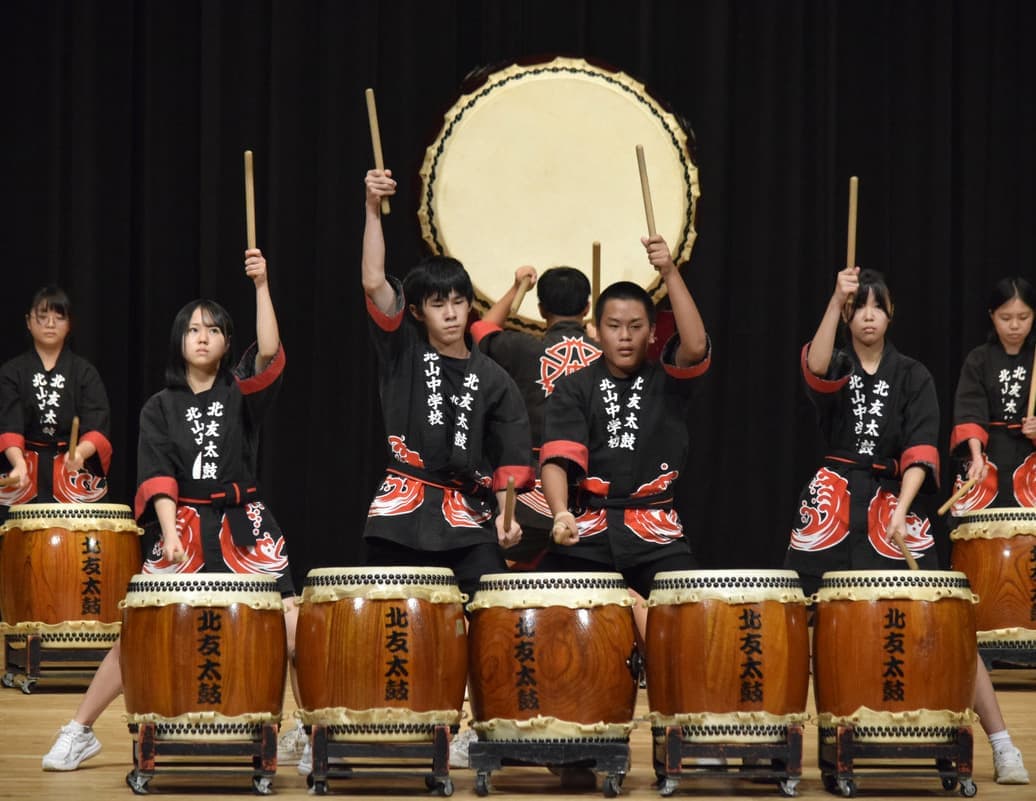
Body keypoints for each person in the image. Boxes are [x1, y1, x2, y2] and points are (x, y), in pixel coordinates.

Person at [41, 248, 302, 772]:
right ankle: (80, 730)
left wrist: (261, 285)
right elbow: (158, 477)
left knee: (293, 624)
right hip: (182, 524)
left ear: (227, 343)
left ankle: (309, 728)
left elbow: (271, 351)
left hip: (243, 524)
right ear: (178, 341)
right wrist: (171, 534)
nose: (202, 337)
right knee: (139, 631)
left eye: (213, 330)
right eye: (193, 329)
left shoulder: (242, 393)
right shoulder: (159, 407)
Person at [785, 265, 1028, 785]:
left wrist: (901, 509)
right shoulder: (838, 362)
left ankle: (1003, 745)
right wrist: (834, 300)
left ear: (892, 313)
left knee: (944, 619)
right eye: (859, 308)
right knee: (791, 618)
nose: (869, 316)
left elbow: (920, 448)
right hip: (832, 504)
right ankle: (766, 736)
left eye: (878, 306)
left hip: (895, 501)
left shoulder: (914, 375)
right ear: (848, 316)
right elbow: (816, 367)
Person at [361, 168, 535, 600]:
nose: (452, 313)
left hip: (468, 519)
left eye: (459, 302)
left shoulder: (494, 379)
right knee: (388, 618)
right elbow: (374, 281)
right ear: (417, 312)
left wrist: (507, 517)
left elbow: (510, 458)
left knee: (494, 606)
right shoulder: (403, 353)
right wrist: (371, 208)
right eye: (439, 304)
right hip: (400, 517)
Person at [539, 234, 710, 600]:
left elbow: (696, 346)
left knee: (692, 605)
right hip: (588, 533)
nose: (625, 336)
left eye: (636, 326)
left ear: (653, 332)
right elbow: (557, 458)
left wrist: (669, 271)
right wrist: (560, 513)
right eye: (614, 326)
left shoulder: (669, 380)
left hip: (656, 536)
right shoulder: (575, 387)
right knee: (540, 605)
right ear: (596, 330)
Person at [470, 264, 602, 569]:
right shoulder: (607, 354)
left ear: (541, 309)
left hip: (530, 489)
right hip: (591, 489)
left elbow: (480, 331)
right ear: (587, 307)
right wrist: (597, 341)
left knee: (506, 572)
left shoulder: (521, 348)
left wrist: (518, 287)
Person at [0, 286, 112, 519]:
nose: (50, 324)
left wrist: (80, 453)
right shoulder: (12, 372)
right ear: (28, 322)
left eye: (59, 317)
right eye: (42, 316)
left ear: (69, 324)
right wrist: (18, 463)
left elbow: (96, 425)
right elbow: (9, 425)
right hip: (24, 467)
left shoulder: (84, 372)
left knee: (89, 529)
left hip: (70, 469)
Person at [949, 277, 1036, 510]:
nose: (1014, 325)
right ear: (992, 315)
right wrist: (976, 456)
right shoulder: (978, 359)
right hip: (987, 456)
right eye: (1005, 318)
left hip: (1030, 461)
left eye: (1023, 317)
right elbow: (969, 410)